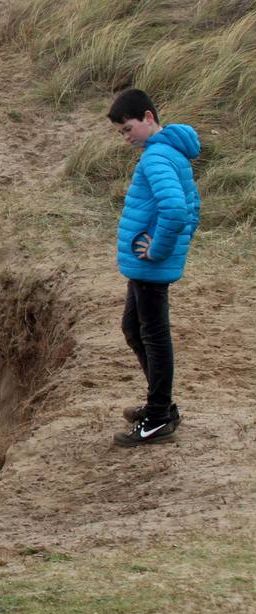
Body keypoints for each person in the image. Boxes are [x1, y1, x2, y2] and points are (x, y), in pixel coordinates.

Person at [108, 88, 200, 448]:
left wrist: (158, 250)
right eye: (121, 133)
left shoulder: (157, 158)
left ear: (148, 118)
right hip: (148, 267)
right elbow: (193, 206)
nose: (126, 137)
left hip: (150, 267)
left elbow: (177, 210)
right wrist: (171, 245)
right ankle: (159, 404)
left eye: (128, 128)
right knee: (134, 327)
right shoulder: (168, 152)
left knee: (153, 336)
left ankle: (159, 416)